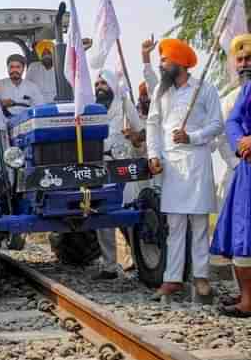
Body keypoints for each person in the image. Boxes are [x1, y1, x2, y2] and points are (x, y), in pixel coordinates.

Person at [146, 38, 223, 301]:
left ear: (178, 62)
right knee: (175, 225)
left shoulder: (206, 89)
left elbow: (216, 125)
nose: (162, 64)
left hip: (198, 162)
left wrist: (192, 136)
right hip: (171, 166)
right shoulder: (160, 91)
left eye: (165, 60)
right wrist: (153, 155)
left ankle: (201, 278)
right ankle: (172, 279)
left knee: (199, 223)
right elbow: (152, 125)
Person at [210, 33, 251, 317]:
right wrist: (242, 143)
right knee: (242, 235)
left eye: (250, 58)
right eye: (241, 59)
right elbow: (233, 121)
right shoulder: (245, 91)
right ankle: (247, 299)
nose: (246, 63)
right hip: (246, 168)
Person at [93, 69, 143, 280]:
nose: (99, 88)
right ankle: (109, 266)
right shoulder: (91, 108)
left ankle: (140, 261)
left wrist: (132, 136)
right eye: (97, 85)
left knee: (128, 213)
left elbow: (140, 133)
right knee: (102, 214)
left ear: (112, 85)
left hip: (122, 165)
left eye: (103, 84)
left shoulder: (124, 103)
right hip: (98, 165)